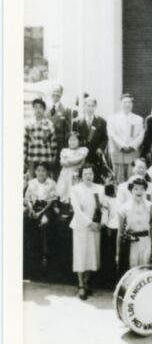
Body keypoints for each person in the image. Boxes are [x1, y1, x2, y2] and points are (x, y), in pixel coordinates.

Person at [70, 164, 106, 299]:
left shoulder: (100, 188)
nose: (88, 176)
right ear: (81, 175)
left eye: (90, 173)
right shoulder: (75, 189)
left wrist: (101, 223)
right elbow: (77, 210)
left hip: (95, 227)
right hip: (81, 226)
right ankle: (80, 284)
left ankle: (86, 283)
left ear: (94, 174)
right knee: (81, 255)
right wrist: (89, 223)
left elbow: (103, 208)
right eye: (85, 174)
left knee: (92, 255)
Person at [116, 176, 152, 272]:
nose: (139, 191)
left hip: (146, 242)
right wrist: (118, 253)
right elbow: (120, 232)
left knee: (145, 270)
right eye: (136, 189)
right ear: (131, 190)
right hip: (131, 244)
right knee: (133, 271)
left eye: (141, 189)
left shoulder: (151, 207)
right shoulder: (123, 209)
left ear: (145, 191)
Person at [107, 93, 145, 184]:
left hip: (132, 152)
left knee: (132, 178)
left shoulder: (138, 119)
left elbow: (141, 135)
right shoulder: (112, 118)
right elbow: (112, 134)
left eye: (129, 102)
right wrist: (123, 146)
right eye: (125, 102)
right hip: (118, 151)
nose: (127, 104)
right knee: (118, 180)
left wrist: (131, 146)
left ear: (132, 104)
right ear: (120, 103)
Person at [71, 96, 109, 177]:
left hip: (95, 154)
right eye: (88, 106)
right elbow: (73, 138)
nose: (90, 108)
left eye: (92, 106)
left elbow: (105, 138)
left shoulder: (101, 121)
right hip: (80, 155)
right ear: (84, 107)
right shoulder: (77, 122)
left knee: (96, 175)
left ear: (95, 107)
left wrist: (101, 148)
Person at [25, 98, 58, 179]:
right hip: (32, 157)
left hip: (45, 157)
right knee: (32, 181)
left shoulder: (49, 124)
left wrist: (53, 157)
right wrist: (24, 157)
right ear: (33, 109)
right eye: (36, 107)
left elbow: (53, 143)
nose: (38, 110)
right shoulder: (29, 124)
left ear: (44, 110)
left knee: (46, 180)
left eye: (40, 107)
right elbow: (25, 142)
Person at [56, 131, 89, 203]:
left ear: (79, 141)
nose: (72, 142)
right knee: (65, 192)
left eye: (74, 140)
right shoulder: (64, 150)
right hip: (65, 175)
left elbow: (78, 160)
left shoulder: (83, 150)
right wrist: (72, 161)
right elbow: (62, 162)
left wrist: (68, 160)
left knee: (76, 191)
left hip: (76, 174)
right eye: (70, 140)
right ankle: (66, 205)